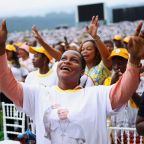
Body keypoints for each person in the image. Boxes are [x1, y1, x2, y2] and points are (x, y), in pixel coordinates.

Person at [0, 17, 144, 144]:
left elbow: (124, 90)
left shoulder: (96, 95)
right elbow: (6, 82)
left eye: (74, 60)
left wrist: (134, 59)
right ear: (57, 66)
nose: (66, 62)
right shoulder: (38, 94)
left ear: (82, 71)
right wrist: (1, 49)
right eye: (63, 59)